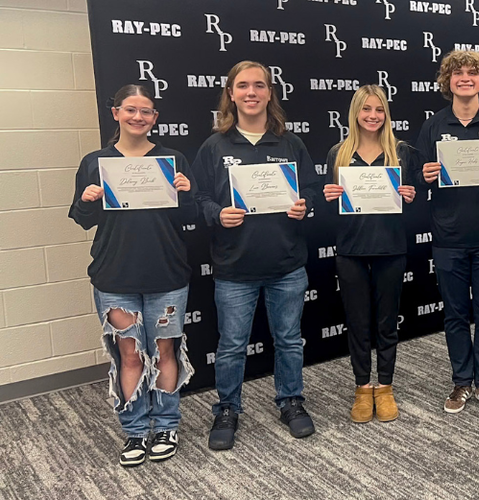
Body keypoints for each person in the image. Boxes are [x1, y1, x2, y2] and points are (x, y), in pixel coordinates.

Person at [191, 60, 323, 450]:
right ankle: (227, 408)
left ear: (269, 92)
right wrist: (217, 213)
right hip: (234, 268)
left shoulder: (290, 143)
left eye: (259, 85)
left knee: (288, 339)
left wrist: (305, 206)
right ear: (231, 93)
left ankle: (291, 401)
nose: (251, 92)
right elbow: (196, 197)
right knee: (231, 345)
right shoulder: (214, 146)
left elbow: (312, 190)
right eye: (243, 86)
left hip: (286, 264)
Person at [69, 84, 197, 467]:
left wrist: (186, 193)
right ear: (116, 113)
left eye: (146, 111)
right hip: (114, 276)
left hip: (167, 274)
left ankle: (167, 425)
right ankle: (135, 431)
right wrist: (87, 199)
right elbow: (81, 220)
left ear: (155, 118)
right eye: (130, 109)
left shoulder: (173, 160)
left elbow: (188, 219)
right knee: (128, 354)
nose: (138, 117)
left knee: (164, 350)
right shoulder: (95, 162)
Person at [414, 50, 479, 415]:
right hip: (448, 238)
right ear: (447, 81)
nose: (465, 78)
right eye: (457, 73)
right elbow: (414, 177)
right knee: (456, 314)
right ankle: (461, 382)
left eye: (472, 73)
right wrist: (424, 176)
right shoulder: (433, 126)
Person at [322, 85, 417, 423]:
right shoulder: (339, 153)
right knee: (358, 324)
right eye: (366, 110)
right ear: (356, 113)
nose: (373, 116)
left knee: (387, 323)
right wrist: (329, 196)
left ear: (386, 114)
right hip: (351, 249)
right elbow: (327, 208)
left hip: (391, 248)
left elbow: (416, 204)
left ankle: (385, 387)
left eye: (379, 110)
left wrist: (410, 196)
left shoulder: (402, 152)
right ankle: (363, 388)